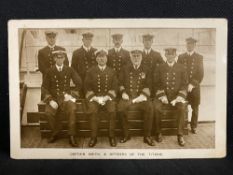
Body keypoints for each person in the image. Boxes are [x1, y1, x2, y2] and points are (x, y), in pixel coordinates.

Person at [41, 50, 82, 147]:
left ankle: (71, 135)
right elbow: (44, 88)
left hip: (66, 98)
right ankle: (55, 132)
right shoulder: (49, 71)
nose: (60, 59)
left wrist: (72, 96)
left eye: (62, 57)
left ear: (64, 58)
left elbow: (79, 82)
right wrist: (50, 100)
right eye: (58, 57)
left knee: (72, 109)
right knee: (48, 112)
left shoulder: (69, 70)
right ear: (54, 58)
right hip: (54, 98)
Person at [118, 49, 155, 146]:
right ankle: (126, 134)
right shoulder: (125, 68)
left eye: (138, 56)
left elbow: (149, 84)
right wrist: (123, 93)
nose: (136, 58)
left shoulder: (146, 69)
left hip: (141, 97)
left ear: (141, 58)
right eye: (134, 56)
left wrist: (143, 95)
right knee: (121, 108)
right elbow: (120, 83)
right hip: (128, 97)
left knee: (150, 108)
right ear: (130, 57)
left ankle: (147, 136)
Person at [153, 48, 188, 146]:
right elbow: (156, 83)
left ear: (175, 55)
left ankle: (180, 135)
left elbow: (184, 84)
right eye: (168, 55)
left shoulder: (181, 67)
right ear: (165, 56)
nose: (170, 57)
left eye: (172, 55)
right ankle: (158, 132)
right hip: (163, 96)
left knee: (182, 108)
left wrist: (179, 97)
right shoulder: (160, 67)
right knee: (156, 108)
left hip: (177, 96)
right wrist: (162, 95)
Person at [84, 49, 118, 147]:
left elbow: (115, 86)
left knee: (112, 110)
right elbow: (86, 86)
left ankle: (111, 136)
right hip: (95, 98)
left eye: (103, 57)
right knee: (93, 110)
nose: (101, 59)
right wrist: (95, 98)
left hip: (108, 98)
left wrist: (107, 97)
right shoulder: (90, 71)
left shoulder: (112, 71)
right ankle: (93, 137)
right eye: (99, 57)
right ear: (96, 59)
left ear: (107, 58)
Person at [177, 37, 204, 134]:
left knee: (195, 107)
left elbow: (200, 74)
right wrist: (184, 85)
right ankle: (183, 125)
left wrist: (192, 84)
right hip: (183, 87)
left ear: (194, 45)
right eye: (188, 44)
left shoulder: (199, 57)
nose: (189, 46)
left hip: (194, 87)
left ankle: (194, 126)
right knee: (182, 106)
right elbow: (178, 72)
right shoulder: (181, 57)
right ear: (186, 45)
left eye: (191, 44)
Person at [71, 32, 97, 97]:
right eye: (86, 39)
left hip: (93, 82)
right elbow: (73, 69)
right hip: (81, 81)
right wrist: (77, 81)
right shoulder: (76, 52)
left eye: (90, 39)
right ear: (83, 40)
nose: (88, 41)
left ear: (91, 40)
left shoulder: (96, 51)